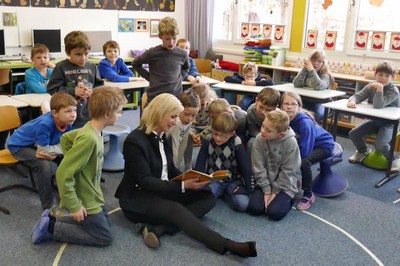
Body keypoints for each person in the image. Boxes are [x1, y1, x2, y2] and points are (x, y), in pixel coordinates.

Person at [115, 93, 257, 257]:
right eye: (173, 116)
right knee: (176, 209)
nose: (176, 121)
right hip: (139, 199)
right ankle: (228, 245)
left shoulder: (163, 135)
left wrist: (190, 177)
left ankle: (159, 228)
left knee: (207, 197)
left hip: (162, 190)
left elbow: (170, 170)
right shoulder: (135, 141)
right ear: (160, 113)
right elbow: (145, 181)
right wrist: (182, 186)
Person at [31, 86, 127, 246]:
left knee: (106, 223)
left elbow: (66, 138)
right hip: (85, 196)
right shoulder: (89, 138)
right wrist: (74, 205)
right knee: (104, 237)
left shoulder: (93, 128)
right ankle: (51, 228)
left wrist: (75, 160)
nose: (120, 115)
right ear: (107, 114)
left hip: (93, 192)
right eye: (119, 111)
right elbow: (62, 173)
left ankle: (53, 219)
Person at [7, 92, 77, 210]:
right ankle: (48, 206)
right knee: (43, 164)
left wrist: (58, 152)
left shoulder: (67, 122)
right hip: (18, 146)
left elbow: (63, 144)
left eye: (75, 110)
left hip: (38, 143)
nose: (73, 115)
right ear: (54, 113)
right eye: (68, 111)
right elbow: (44, 150)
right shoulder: (45, 125)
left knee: (68, 157)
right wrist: (59, 150)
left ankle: (66, 192)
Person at [281, 91, 334, 211]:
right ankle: (294, 181)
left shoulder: (305, 123)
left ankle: (308, 194)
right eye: (286, 103)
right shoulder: (284, 118)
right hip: (309, 142)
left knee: (304, 161)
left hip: (324, 145)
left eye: (293, 104)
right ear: (281, 106)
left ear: (298, 107)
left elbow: (305, 152)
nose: (289, 106)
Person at [347, 61, 400, 172]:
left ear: (393, 77)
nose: (383, 78)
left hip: (390, 123)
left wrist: (380, 88)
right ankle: (363, 151)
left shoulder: (394, 91)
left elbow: (378, 105)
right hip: (375, 120)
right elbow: (358, 96)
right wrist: (352, 101)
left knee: (380, 144)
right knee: (353, 134)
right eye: (380, 74)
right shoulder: (371, 85)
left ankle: (394, 159)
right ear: (375, 74)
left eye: (387, 76)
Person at [248, 110, 301, 221]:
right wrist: (266, 190)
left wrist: (275, 192)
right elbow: (258, 167)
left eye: (268, 130)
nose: (262, 131)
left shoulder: (290, 143)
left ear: (281, 134)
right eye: (263, 126)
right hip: (265, 182)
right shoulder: (259, 138)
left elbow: (288, 171)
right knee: (255, 209)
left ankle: (290, 199)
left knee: (274, 213)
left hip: (285, 185)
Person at [194, 112, 253, 212]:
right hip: (214, 179)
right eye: (215, 133)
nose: (218, 138)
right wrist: (200, 182)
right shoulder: (208, 139)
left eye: (223, 136)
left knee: (243, 205)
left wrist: (248, 189)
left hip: (233, 180)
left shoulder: (236, 142)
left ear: (232, 134)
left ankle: (225, 193)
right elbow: (200, 162)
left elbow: (246, 167)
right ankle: (222, 192)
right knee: (202, 199)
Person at [47, 30, 104, 128]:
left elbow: (100, 87)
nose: (83, 58)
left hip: (89, 113)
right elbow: (53, 89)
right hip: (68, 116)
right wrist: (74, 91)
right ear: (68, 52)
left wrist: (92, 92)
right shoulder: (61, 67)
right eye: (78, 54)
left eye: (86, 54)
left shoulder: (92, 66)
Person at [131, 16, 190, 103]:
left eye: (174, 38)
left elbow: (186, 67)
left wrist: (180, 77)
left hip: (175, 97)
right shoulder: (152, 53)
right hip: (155, 97)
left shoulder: (182, 54)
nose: (171, 42)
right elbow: (135, 63)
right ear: (160, 36)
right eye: (167, 39)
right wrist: (150, 77)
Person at [293, 50, 335, 123]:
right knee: (291, 108)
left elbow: (320, 86)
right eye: (313, 60)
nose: (315, 63)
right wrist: (305, 69)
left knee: (317, 113)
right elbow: (296, 83)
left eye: (319, 61)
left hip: (321, 103)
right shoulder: (306, 71)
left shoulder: (325, 75)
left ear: (323, 63)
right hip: (305, 100)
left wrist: (312, 70)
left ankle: (313, 130)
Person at [166, 89, 200, 172]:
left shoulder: (187, 122)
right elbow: (175, 148)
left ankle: (188, 166)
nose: (189, 119)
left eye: (193, 115)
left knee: (189, 138)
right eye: (186, 114)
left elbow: (183, 145)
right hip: (166, 146)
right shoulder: (175, 124)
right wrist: (175, 169)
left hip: (177, 142)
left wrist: (178, 163)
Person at [246, 87, 280, 153]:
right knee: (251, 143)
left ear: (275, 108)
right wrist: (264, 138)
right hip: (258, 136)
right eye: (261, 107)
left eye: (268, 110)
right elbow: (252, 130)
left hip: (273, 137)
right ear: (256, 101)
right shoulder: (251, 111)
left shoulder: (278, 116)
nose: (263, 112)